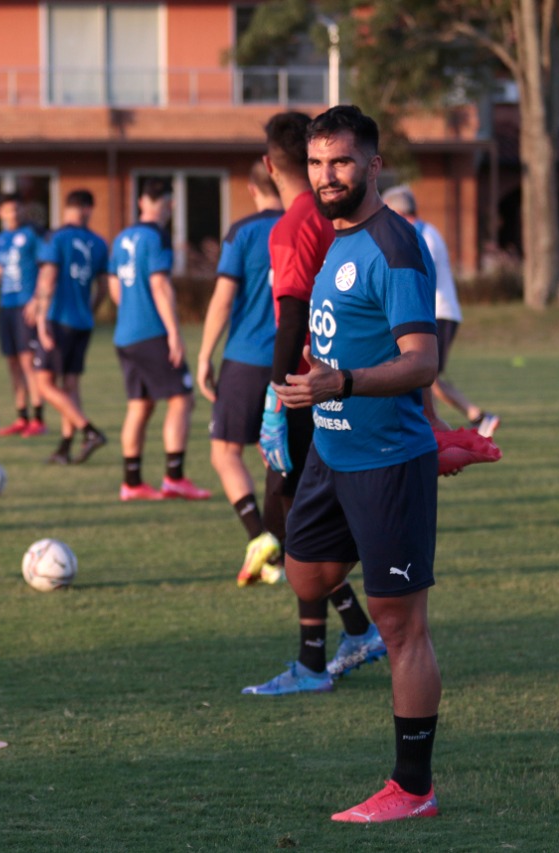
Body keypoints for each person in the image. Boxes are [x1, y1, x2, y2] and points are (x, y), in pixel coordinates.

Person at [276, 106, 443, 822]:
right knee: (304, 567)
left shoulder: (393, 244)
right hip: (331, 453)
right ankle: (341, 637)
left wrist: (339, 384)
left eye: (341, 162)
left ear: (373, 165)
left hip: (384, 461)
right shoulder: (336, 238)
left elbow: (421, 360)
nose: (326, 177)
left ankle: (412, 787)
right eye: (316, 164)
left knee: (401, 625)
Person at [243, 112, 384, 694]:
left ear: (271, 162)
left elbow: (294, 310)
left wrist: (278, 397)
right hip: (340, 384)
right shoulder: (341, 218)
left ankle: (315, 659)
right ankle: (351, 631)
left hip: (309, 387)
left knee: (291, 517)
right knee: (302, 516)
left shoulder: (295, 223)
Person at [196, 161, 283, 583]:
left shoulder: (243, 232)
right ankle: (277, 550)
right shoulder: (310, 226)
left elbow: (222, 300)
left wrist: (204, 356)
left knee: (225, 452)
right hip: (296, 360)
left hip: (247, 358)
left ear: (252, 189)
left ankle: (260, 537)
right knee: (279, 456)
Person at [108, 178, 210, 501]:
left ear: (141, 202)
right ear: (169, 204)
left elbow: (115, 289)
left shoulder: (122, 237)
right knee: (182, 399)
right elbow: (160, 285)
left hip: (125, 334)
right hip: (152, 332)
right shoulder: (157, 237)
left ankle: (132, 482)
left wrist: (132, 314)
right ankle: (174, 478)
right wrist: (174, 333)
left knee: (140, 405)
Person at [381, 185, 499, 437]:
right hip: (435, 312)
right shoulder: (425, 231)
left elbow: (414, 273)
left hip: (438, 313)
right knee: (428, 376)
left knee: (427, 374)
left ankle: (470, 417)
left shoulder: (419, 233)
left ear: (398, 211)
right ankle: (473, 417)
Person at [31, 189, 109, 465]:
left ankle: (89, 431)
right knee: (70, 385)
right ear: (88, 209)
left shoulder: (57, 237)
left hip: (57, 319)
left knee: (44, 385)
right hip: (82, 322)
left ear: (68, 208)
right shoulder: (99, 243)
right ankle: (65, 447)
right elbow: (103, 287)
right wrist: (90, 310)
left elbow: (48, 279)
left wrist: (41, 322)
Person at [0, 193, 53, 437]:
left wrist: (37, 300)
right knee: (13, 364)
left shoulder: (31, 235)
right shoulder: (2, 238)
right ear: (0, 213)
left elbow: (45, 268)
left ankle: (38, 419)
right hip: (7, 306)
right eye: (8, 210)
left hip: (24, 306)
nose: (13, 214)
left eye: (17, 209)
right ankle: (21, 417)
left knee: (29, 363)